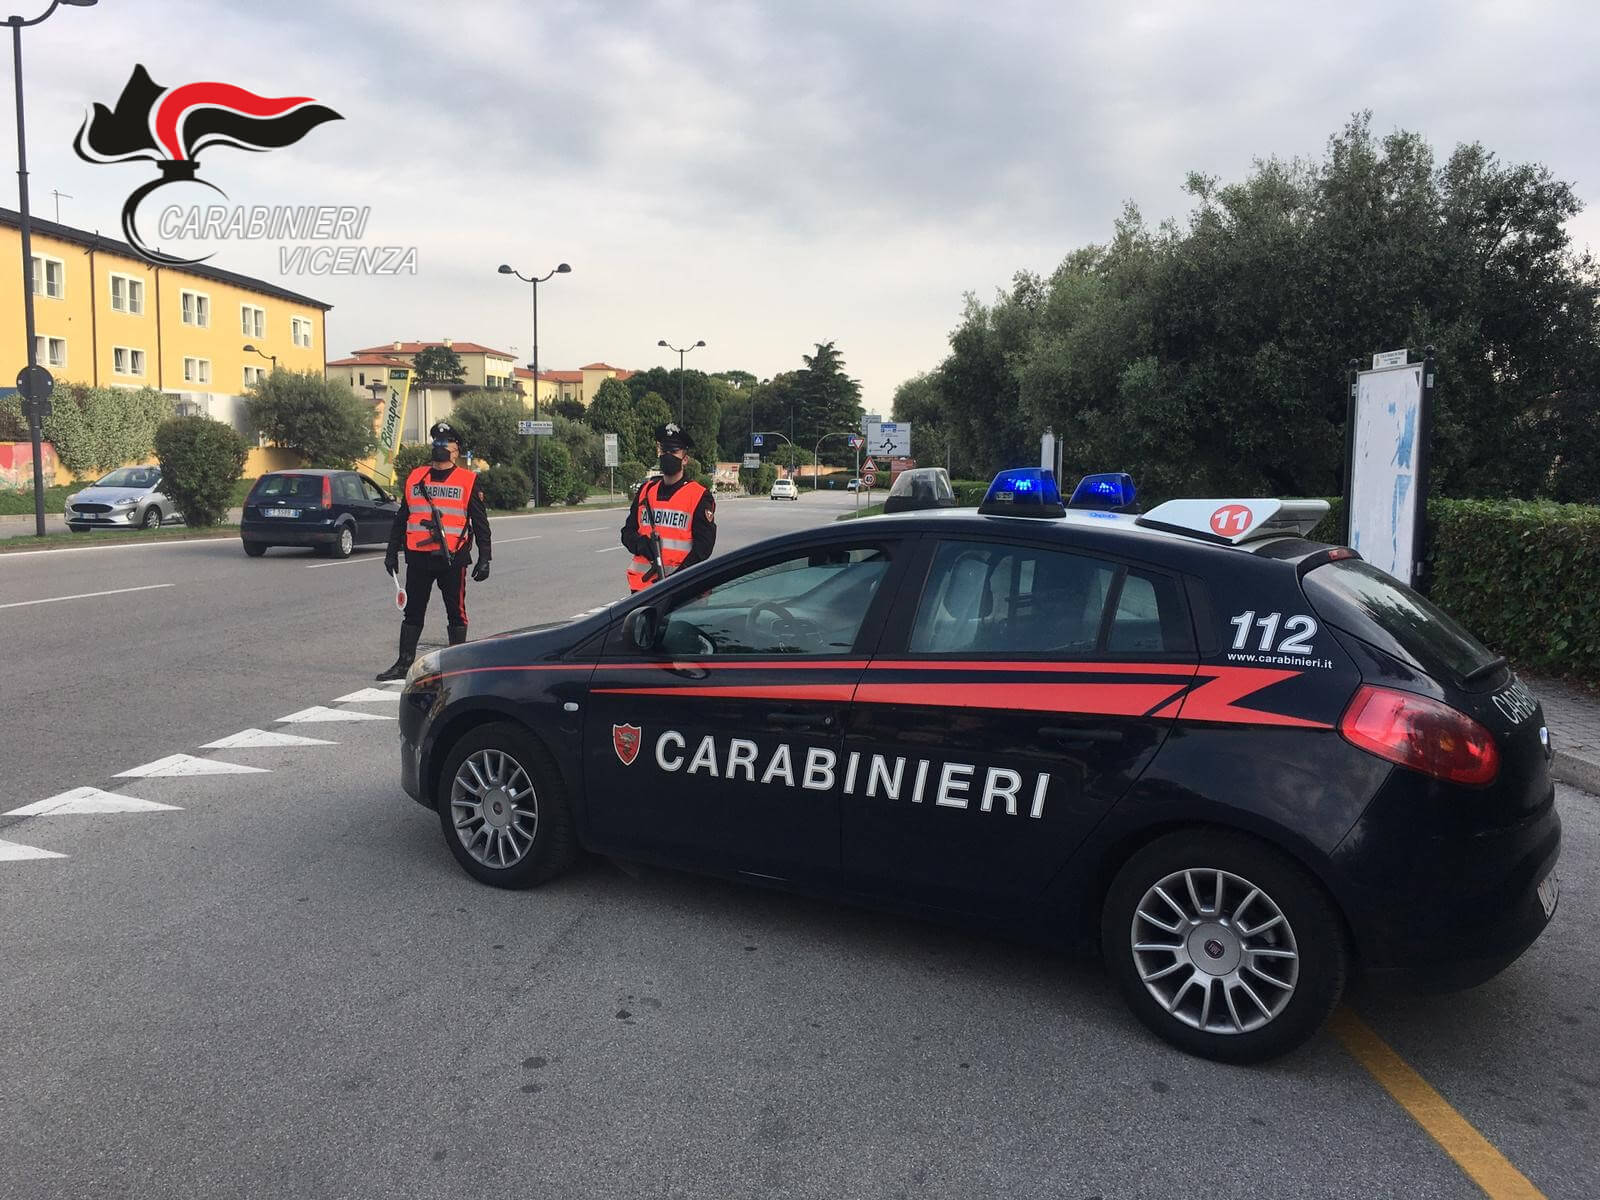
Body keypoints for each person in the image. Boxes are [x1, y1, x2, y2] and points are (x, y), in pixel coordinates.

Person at [375, 420, 492, 680]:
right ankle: (404, 663)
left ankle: (457, 665)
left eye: (445, 443)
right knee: (413, 611)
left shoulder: (468, 480)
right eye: (436, 442)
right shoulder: (416, 477)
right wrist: (391, 552)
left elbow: (480, 524)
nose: (439, 446)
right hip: (418, 558)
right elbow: (402, 518)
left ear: (456, 451)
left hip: (453, 558)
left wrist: (485, 558)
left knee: (456, 612)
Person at [621, 422, 716, 591]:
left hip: (682, 590)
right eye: (664, 451)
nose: (667, 456)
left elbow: (703, 548)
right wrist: (641, 544)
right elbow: (627, 532)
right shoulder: (646, 491)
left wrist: (677, 579)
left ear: (685, 459)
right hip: (642, 589)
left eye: (673, 452)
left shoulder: (699, 496)